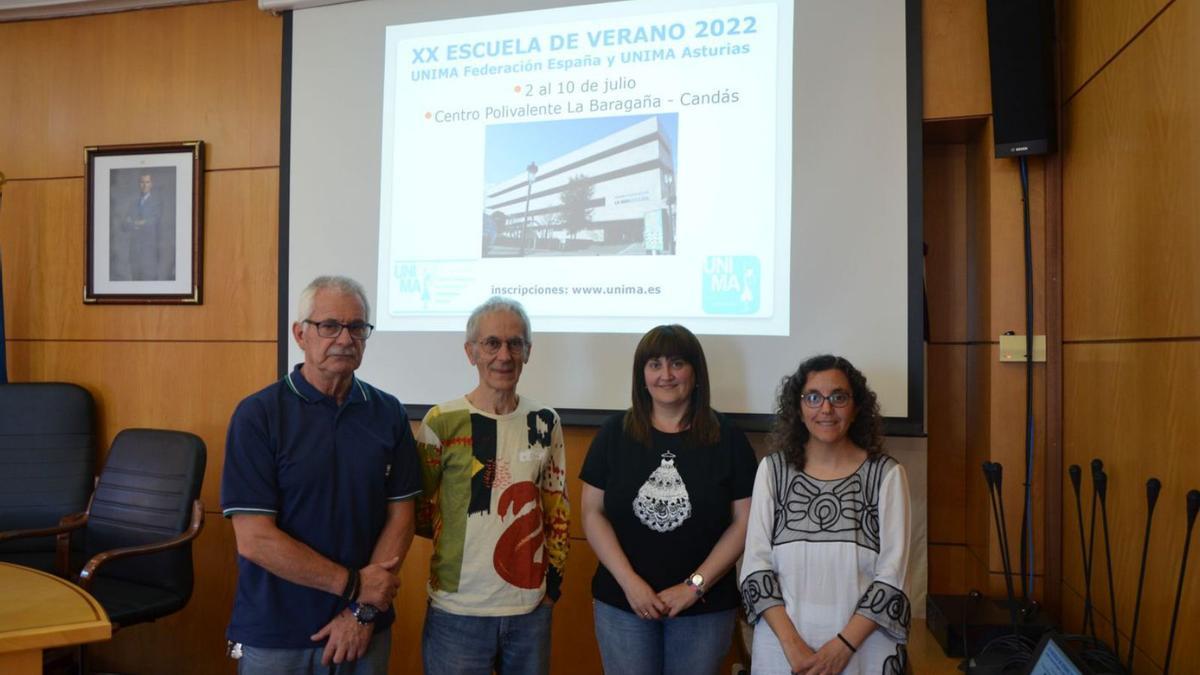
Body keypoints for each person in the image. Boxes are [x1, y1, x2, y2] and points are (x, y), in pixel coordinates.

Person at [221, 275, 422, 674]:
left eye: (357, 327)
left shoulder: (389, 413)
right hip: (276, 632)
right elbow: (254, 539)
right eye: (329, 326)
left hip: (365, 629)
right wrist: (354, 586)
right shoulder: (258, 415)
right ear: (300, 334)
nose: (345, 339)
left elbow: (402, 517)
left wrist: (361, 611)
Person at [580, 324, 757, 675]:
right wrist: (630, 582)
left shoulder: (728, 439)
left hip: (704, 608)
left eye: (677, 363)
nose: (666, 375)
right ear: (641, 375)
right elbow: (591, 513)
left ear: (696, 372)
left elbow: (745, 521)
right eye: (654, 364)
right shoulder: (613, 434)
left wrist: (694, 587)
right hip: (623, 603)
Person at [415, 296, 569, 675]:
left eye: (515, 343)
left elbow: (557, 511)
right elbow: (419, 510)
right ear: (471, 352)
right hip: (457, 612)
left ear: (528, 352)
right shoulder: (441, 421)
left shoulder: (545, 422)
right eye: (492, 343)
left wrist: (551, 589)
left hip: (529, 610)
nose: (504, 355)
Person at [739, 355, 911, 675]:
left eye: (839, 397)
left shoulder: (886, 476)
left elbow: (892, 579)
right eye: (813, 398)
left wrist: (841, 649)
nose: (826, 409)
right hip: (784, 652)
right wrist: (793, 647)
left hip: (862, 653)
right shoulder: (772, 471)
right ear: (799, 409)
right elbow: (755, 569)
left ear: (857, 407)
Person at [122, 173, 171, 280]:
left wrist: (134, 222)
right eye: (142, 182)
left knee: (149, 284)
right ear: (139, 184)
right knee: (135, 283)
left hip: (150, 251)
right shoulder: (133, 203)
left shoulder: (157, 203)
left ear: (151, 184)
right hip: (134, 251)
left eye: (147, 182)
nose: (144, 185)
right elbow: (124, 225)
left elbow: (153, 222)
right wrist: (138, 223)